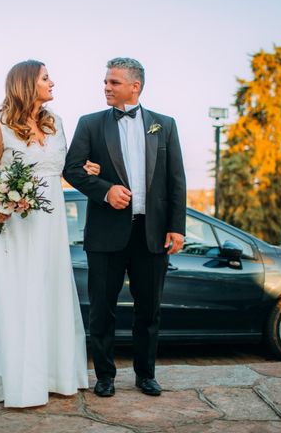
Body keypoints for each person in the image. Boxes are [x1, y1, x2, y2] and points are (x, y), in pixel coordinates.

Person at [0, 60, 98, 408]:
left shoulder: (55, 122)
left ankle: (56, 375)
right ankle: (21, 381)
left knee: (50, 290)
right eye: (46, 77)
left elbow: (61, 169)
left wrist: (88, 169)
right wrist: (3, 201)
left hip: (51, 220)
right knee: (19, 295)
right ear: (27, 84)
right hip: (13, 222)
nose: (52, 82)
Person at [63, 57, 186, 398]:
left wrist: (177, 227)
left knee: (149, 311)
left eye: (114, 82)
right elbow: (71, 169)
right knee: (102, 310)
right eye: (105, 81)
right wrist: (105, 190)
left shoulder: (165, 125)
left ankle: (146, 375)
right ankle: (105, 377)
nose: (106, 87)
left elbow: (176, 180)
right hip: (105, 235)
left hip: (152, 234)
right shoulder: (90, 124)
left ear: (135, 86)